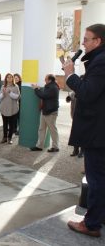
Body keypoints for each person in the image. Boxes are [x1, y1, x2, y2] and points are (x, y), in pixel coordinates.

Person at [63, 23, 105, 237]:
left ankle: (91, 224)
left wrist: (70, 76)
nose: (83, 44)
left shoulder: (100, 63)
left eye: (87, 39)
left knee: (96, 178)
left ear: (97, 41)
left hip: (97, 132)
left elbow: (89, 93)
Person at [30, 74, 59, 152]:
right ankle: (39, 146)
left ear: (50, 80)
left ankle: (55, 147)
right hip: (45, 111)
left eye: (45, 79)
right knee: (41, 129)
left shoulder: (53, 87)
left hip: (50, 112)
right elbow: (45, 95)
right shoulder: (49, 86)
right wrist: (39, 89)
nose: (44, 80)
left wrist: (36, 89)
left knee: (52, 130)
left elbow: (43, 95)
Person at [0, 73, 20, 144]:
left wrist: (10, 93)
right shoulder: (3, 86)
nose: (9, 78)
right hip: (4, 108)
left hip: (13, 108)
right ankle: (4, 137)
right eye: (8, 77)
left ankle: (9, 138)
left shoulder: (15, 86)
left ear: (12, 78)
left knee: (11, 125)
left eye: (11, 77)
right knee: (5, 124)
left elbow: (17, 97)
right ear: (6, 78)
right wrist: (4, 94)